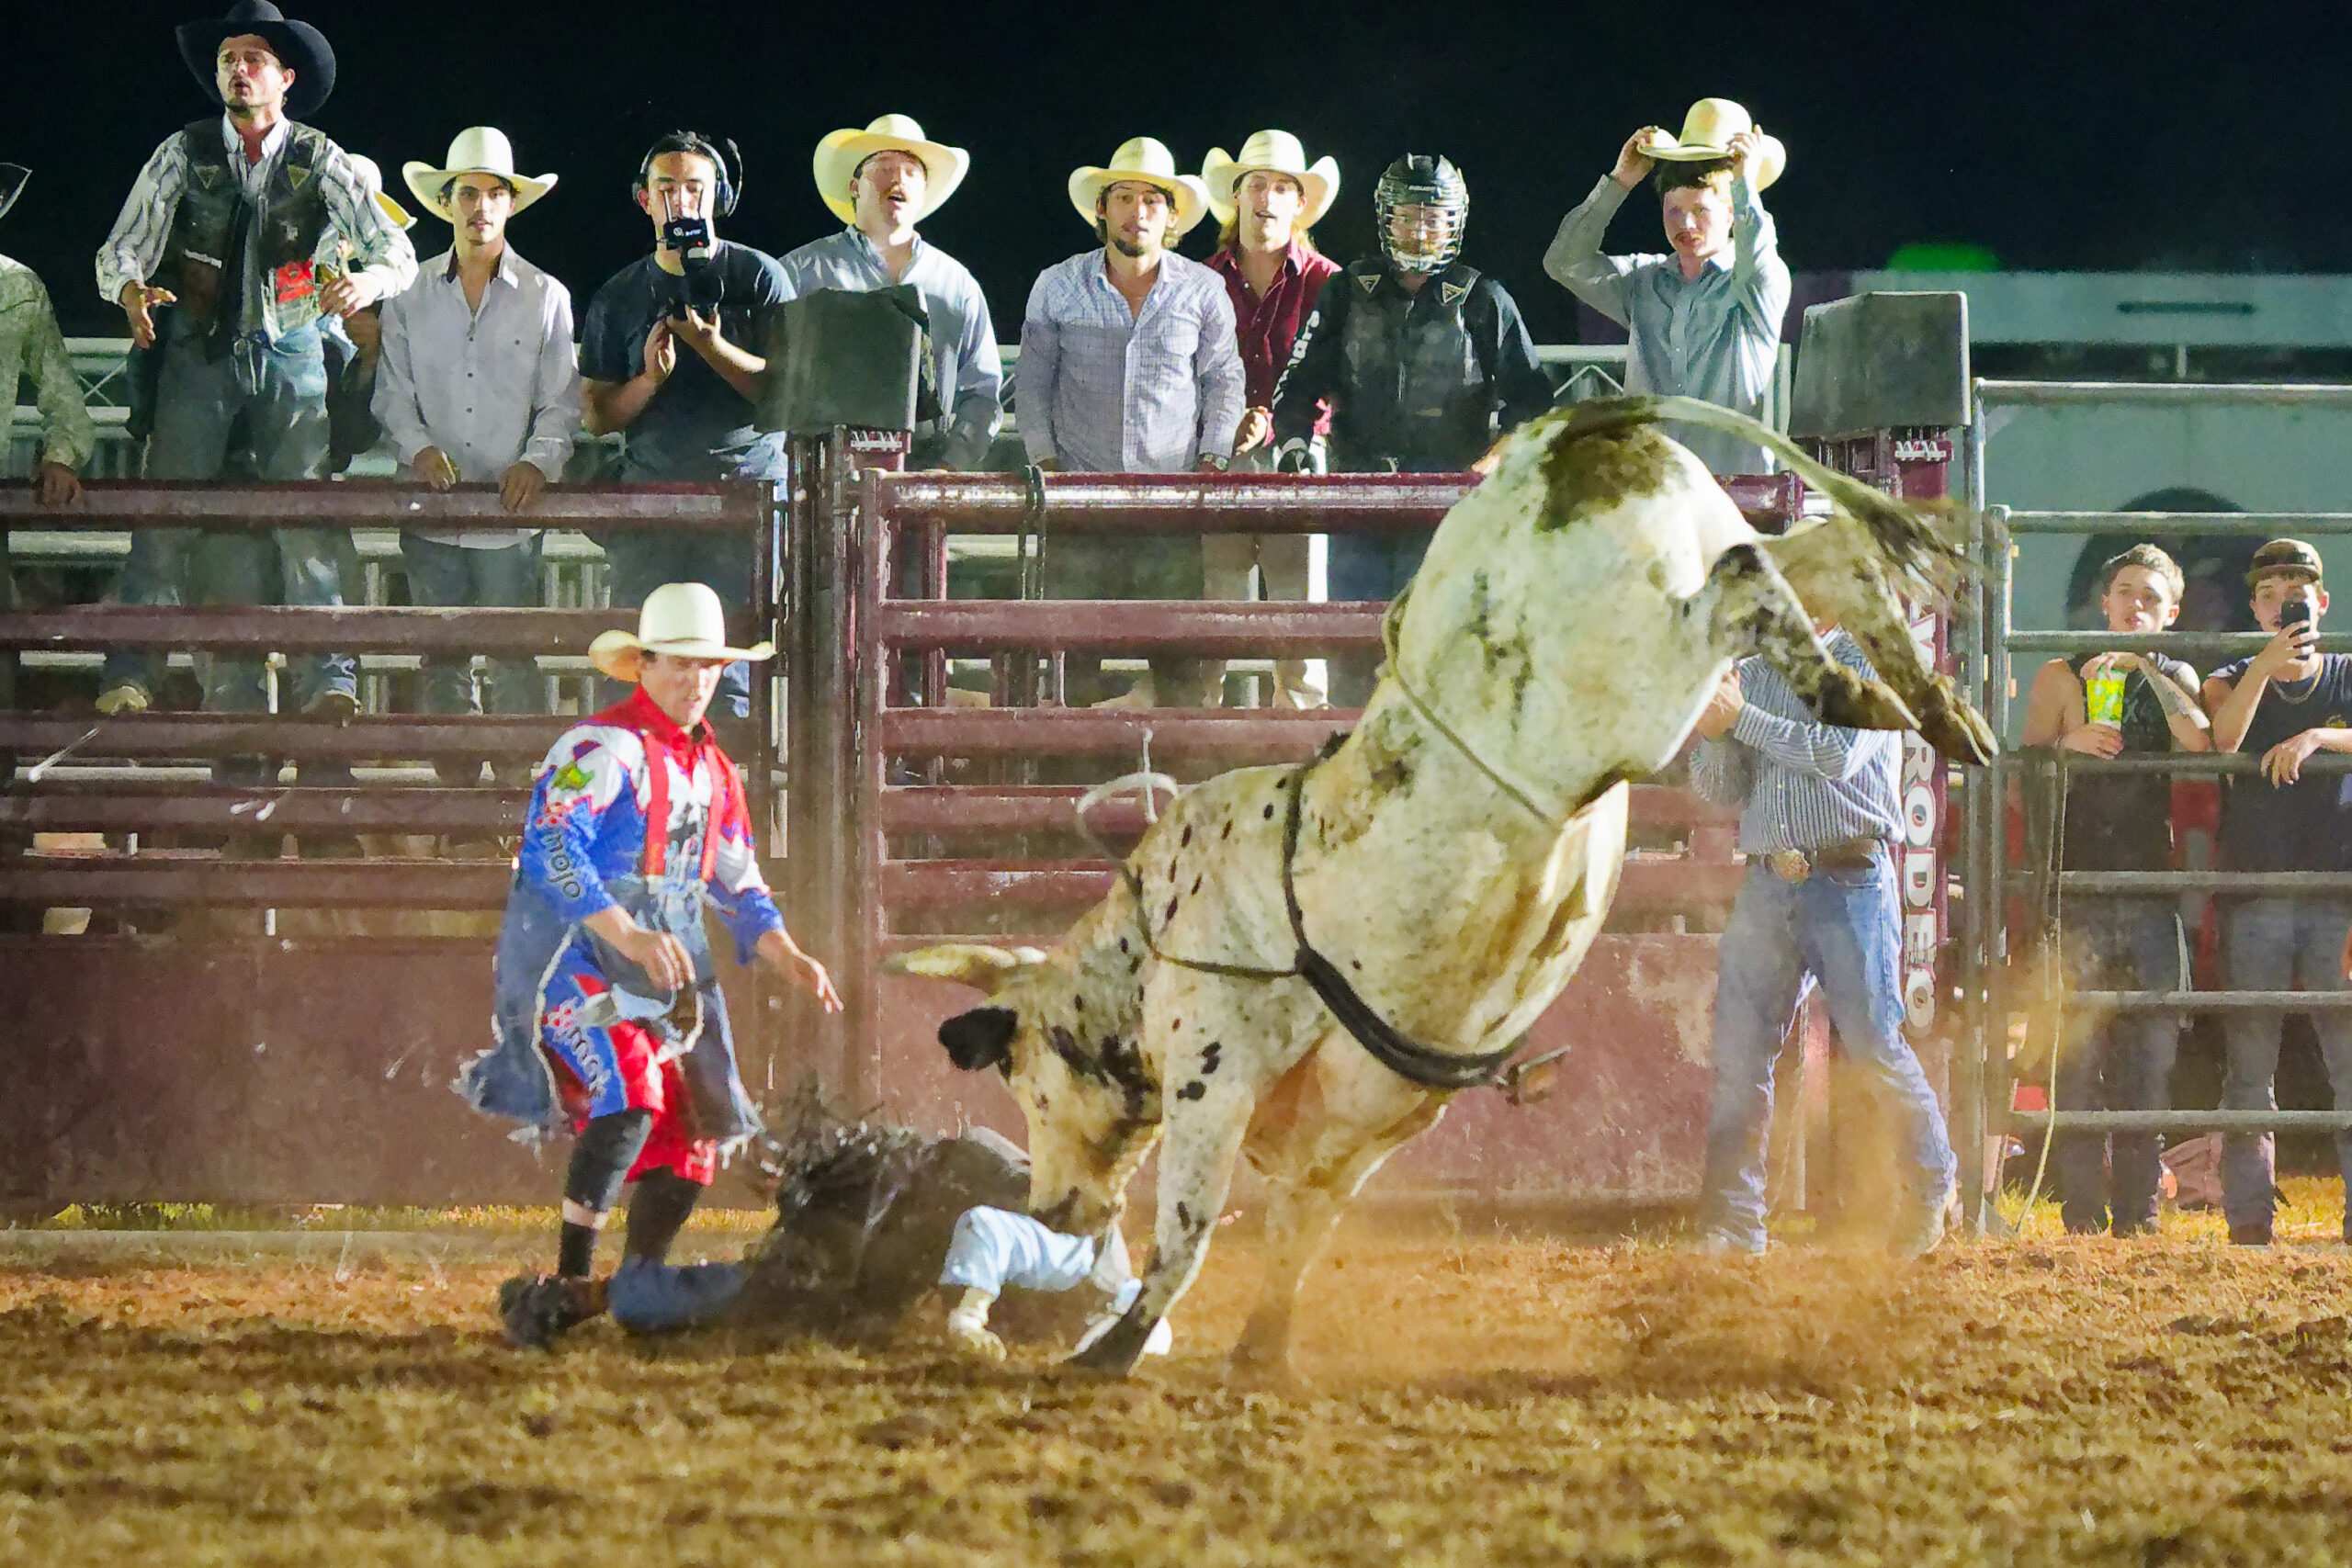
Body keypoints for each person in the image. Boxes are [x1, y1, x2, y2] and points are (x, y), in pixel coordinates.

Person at [459, 581, 841, 1348]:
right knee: (631, 1094)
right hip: (583, 962)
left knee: (692, 1132)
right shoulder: (600, 749)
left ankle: (631, 1285)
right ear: (644, 666)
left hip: (670, 976)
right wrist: (627, 933)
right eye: (679, 665)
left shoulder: (715, 772)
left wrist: (786, 951)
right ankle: (571, 1276)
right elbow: (551, 849)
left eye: (706, 667)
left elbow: (737, 882)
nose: (694, 681)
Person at [93, 0, 417, 732]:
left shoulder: (321, 157)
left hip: (293, 347)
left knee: (304, 517)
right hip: (199, 349)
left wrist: (364, 283)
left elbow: (393, 250)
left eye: (253, 60)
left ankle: (326, 675)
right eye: (228, 60)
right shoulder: (183, 151)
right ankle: (131, 670)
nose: (238, 70)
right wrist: (129, 290)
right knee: (166, 512)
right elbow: (120, 247)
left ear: (284, 78)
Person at [1688, 627, 1957, 1257]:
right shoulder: (1751, 671)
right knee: (1739, 1059)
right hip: (1773, 880)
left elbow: (1836, 754)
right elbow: (1718, 786)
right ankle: (1732, 1224)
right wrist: (1712, 730)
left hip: (1849, 877)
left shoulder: (1864, 661)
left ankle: (1931, 1184)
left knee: (1873, 1046)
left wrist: (1739, 718)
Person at [1269, 153, 1551, 705]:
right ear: (1386, 219)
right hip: (1361, 499)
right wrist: (1296, 444)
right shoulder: (1348, 291)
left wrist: (1496, 460)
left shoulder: (1482, 298)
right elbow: (1298, 385)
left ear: (1454, 222)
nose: (1419, 230)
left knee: (1446, 655)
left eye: (1433, 217)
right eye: (1407, 215)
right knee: (1356, 654)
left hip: (1449, 507)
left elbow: (1534, 403)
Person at [2021, 545, 2211, 1235]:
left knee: (2150, 1062)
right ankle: (2080, 1216)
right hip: (2079, 888)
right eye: (2125, 591)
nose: (2136, 605)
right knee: (2078, 1059)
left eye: (2151, 598)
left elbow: (2200, 741)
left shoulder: (2176, 675)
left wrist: (2144, 669)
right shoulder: (2058, 673)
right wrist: (2064, 750)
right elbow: (2022, 769)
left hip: (2150, 890)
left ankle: (2141, 1216)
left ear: (2171, 614)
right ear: (2104, 601)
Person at [1017, 137, 1243, 708]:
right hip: (1079, 503)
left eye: (1151, 201)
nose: (1137, 212)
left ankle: (1176, 782)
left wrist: (1211, 462)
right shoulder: (1057, 285)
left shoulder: (1203, 289)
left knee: (1178, 663)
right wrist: (1047, 466)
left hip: (1169, 505)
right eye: (1124, 197)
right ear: (1102, 208)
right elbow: (1032, 382)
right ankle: (1072, 782)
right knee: (1073, 661)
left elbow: (1224, 379)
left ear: (1170, 217)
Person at [377, 128, 581, 745]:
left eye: (494, 194)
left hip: (508, 510)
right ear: (449, 203)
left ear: (510, 204)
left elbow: (561, 402)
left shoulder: (547, 296)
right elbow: (392, 394)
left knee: (513, 657)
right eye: (469, 193)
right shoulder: (406, 295)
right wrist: (418, 448)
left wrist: (537, 462)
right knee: (444, 660)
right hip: (433, 511)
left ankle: (508, 800)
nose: (481, 207)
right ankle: (457, 807)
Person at [579, 132, 786, 722]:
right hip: (652, 500)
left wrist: (712, 346)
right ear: (645, 200)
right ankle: (641, 795)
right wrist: (648, 379)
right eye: (666, 188)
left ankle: (726, 797)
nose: (681, 201)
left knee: (732, 664)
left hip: (748, 498)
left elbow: (787, 395)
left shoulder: (760, 276)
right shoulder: (618, 294)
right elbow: (596, 417)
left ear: (716, 197)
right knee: (643, 656)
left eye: (694, 187)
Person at [2201, 538, 2352, 1247]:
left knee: (2347, 1059)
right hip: (2258, 892)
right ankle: (2249, 1222)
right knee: (2250, 1066)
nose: (2285, 604)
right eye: (2271, 594)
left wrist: (2322, 734)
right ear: (2255, 608)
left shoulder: (2346, 673)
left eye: (2298, 593)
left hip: (2334, 894)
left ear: (2322, 602)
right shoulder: (2232, 676)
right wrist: (2264, 665)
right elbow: (2222, 743)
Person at [1543, 98, 1792, 477]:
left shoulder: (1758, 284)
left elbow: (1758, 256)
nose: (1686, 224)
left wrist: (1744, 186)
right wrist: (1620, 181)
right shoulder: (1643, 280)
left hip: (1736, 499)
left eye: (1701, 211)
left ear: (1730, 215)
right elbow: (1562, 262)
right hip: (1652, 490)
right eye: (1674, 211)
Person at [1197, 130, 1340, 710]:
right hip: (1216, 457)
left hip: (1299, 460)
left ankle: (1301, 751)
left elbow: (1336, 378)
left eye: (1283, 186)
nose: (1269, 196)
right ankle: (1198, 744)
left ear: (1299, 203)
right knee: (1213, 614)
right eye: (1257, 183)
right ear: (1237, 197)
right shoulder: (1200, 280)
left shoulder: (1330, 284)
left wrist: (1278, 428)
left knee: (1301, 619)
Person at [782, 115, 1001, 472]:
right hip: (820, 473)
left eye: (912, 171)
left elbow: (982, 393)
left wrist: (946, 469)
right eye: (883, 167)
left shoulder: (957, 285)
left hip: (926, 470)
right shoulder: (800, 272)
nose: (898, 178)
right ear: (855, 186)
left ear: (923, 192)